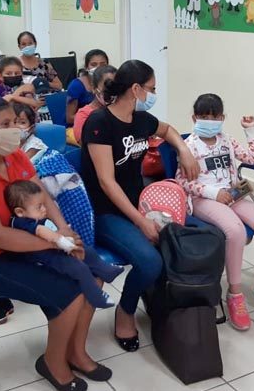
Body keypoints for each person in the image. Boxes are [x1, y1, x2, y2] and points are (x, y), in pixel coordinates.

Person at [0, 95, 109, 390]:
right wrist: (56, 242)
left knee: (96, 273)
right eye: (5, 124)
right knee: (70, 292)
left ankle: (76, 351)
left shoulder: (13, 157)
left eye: (15, 122)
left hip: (30, 241)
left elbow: (42, 194)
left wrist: (63, 228)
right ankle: (53, 363)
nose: (15, 130)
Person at [81, 59, 200, 352]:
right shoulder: (100, 123)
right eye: (152, 89)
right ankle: (126, 310)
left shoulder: (141, 120)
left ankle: (158, 300)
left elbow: (168, 129)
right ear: (135, 89)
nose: (154, 94)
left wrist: (183, 150)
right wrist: (140, 220)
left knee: (174, 244)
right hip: (105, 211)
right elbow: (107, 183)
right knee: (150, 260)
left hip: (137, 202)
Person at [176, 93, 254, 331]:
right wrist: (213, 193)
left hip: (233, 195)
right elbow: (182, 182)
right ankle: (235, 294)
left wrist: (250, 131)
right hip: (204, 199)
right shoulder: (188, 146)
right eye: (204, 116)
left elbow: (252, 158)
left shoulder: (227, 140)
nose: (210, 121)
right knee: (236, 232)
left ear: (222, 118)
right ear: (194, 117)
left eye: (215, 116)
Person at [5, 180, 122, 308]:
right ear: (20, 212)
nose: (44, 209)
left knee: (87, 251)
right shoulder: (20, 222)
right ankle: (96, 296)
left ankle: (105, 270)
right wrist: (64, 243)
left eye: (44, 204)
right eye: (39, 207)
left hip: (54, 248)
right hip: (43, 257)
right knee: (79, 268)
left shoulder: (34, 216)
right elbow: (42, 231)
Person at [73, 65, 115, 145]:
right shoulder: (84, 115)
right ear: (94, 88)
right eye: (108, 86)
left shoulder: (122, 111)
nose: (112, 90)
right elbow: (86, 145)